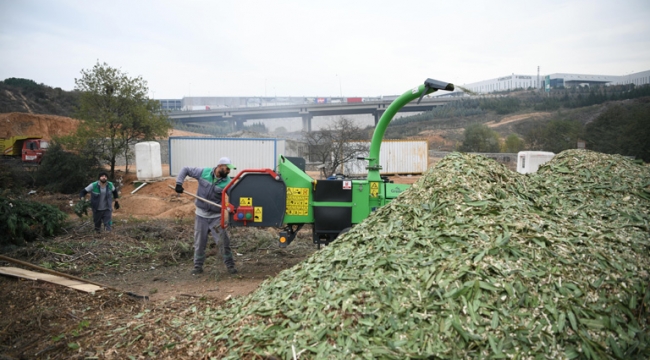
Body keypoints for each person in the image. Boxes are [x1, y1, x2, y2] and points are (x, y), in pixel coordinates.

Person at [175, 157, 238, 275]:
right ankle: (197, 267)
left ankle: (230, 266)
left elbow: (235, 198)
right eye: (227, 169)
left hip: (216, 217)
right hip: (201, 215)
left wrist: (231, 207)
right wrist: (179, 183)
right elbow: (185, 169)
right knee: (199, 242)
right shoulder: (203, 172)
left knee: (223, 242)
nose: (229, 171)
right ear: (220, 166)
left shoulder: (228, 182)